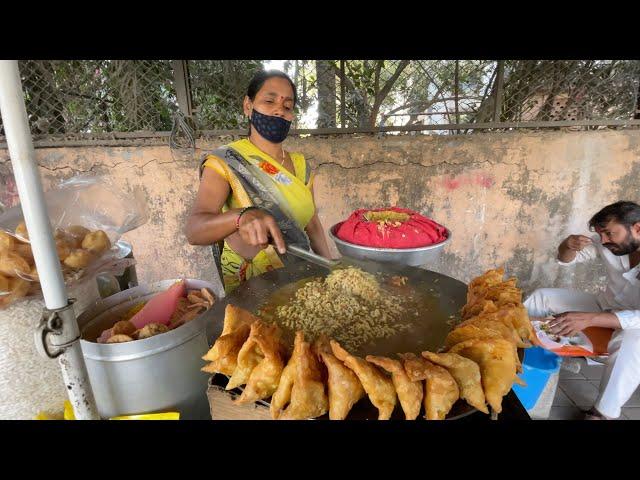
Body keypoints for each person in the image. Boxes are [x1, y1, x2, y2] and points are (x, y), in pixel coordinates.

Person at [185, 70, 332, 293]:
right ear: (248, 105)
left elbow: (312, 224)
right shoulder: (227, 161)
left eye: (287, 106)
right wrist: (241, 217)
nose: (279, 110)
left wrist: (329, 269)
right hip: (252, 286)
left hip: (300, 277)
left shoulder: (302, 166)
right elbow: (194, 231)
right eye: (269, 100)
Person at [523, 201, 640, 420]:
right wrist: (567, 246)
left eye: (608, 233)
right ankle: (527, 358)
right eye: (600, 234)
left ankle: (603, 413)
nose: (603, 240)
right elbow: (564, 260)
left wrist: (591, 318)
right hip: (605, 305)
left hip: (635, 325)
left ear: (637, 228)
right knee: (542, 297)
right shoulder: (609, 243)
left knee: (632, 340)